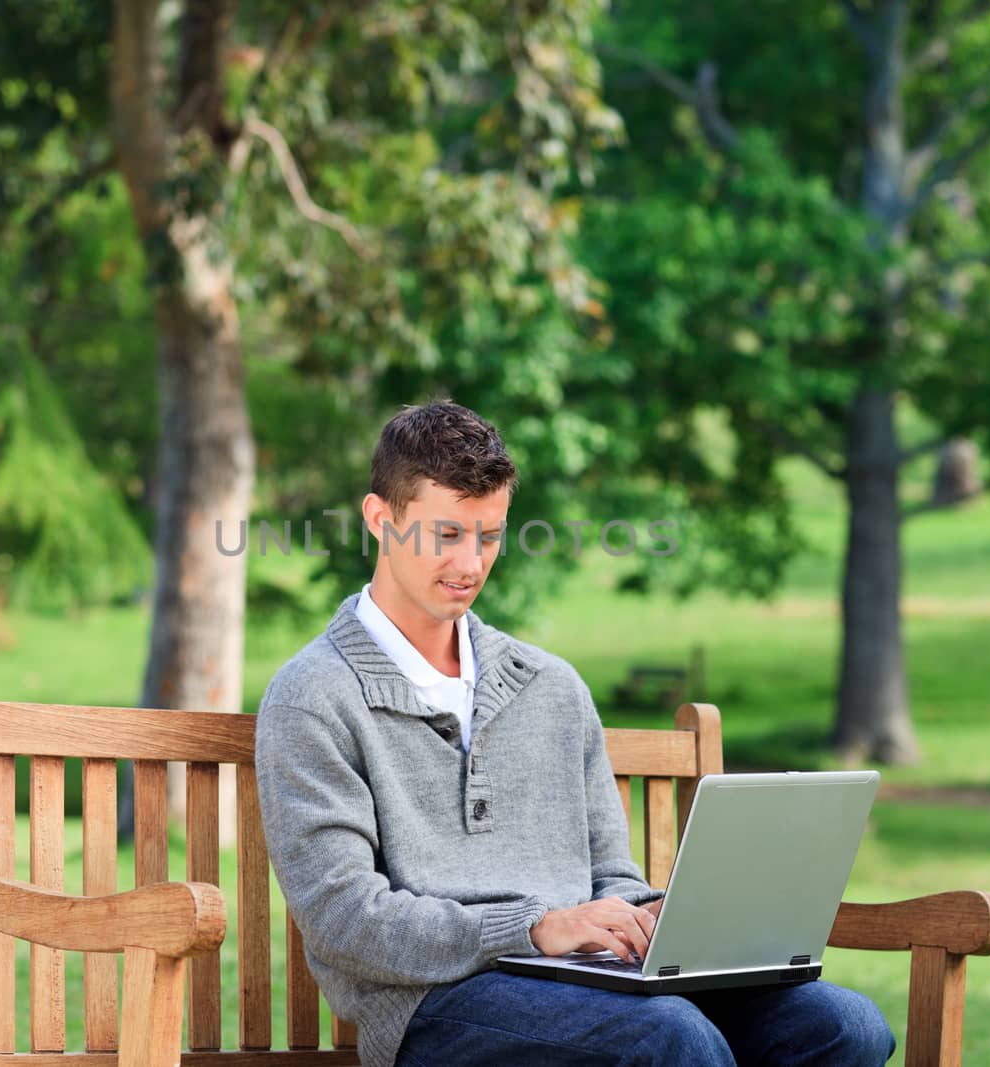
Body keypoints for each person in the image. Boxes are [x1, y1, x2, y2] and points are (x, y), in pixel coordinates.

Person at [254, 401, 896, 1066]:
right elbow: (344, 919)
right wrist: (532, 926)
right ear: (380, 520)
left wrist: (653, 918)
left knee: (846, 1025)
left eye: (490, 535)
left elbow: (608, 873)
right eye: (446, 535)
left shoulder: (549, 686)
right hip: (435, 1000)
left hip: (590, 980)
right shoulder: (313, 696)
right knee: (670, 1038)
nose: (471, 563)